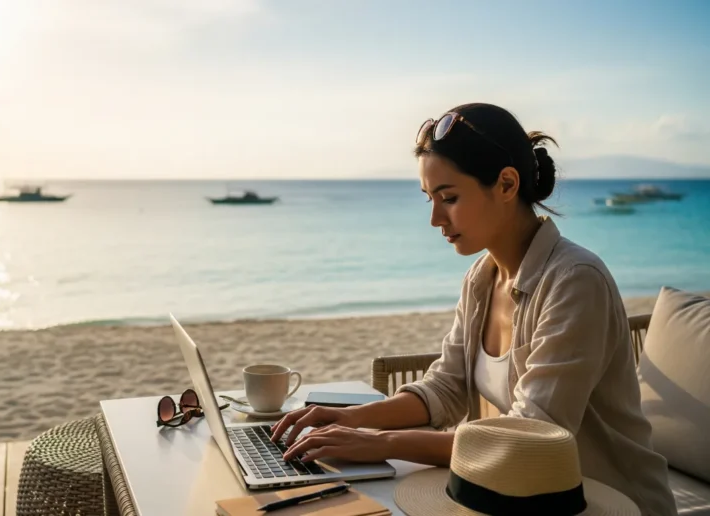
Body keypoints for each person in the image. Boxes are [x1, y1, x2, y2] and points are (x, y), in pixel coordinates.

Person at [270, 103, 677, 516]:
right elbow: (445, 389)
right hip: (517, 500)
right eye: (430, 198)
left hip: (609, 502)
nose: (434, 219)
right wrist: (350, 419)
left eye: (448, 197)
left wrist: (381, 442)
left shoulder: (575, 281)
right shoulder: (481, 278)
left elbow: (527, 438)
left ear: (506, 184)